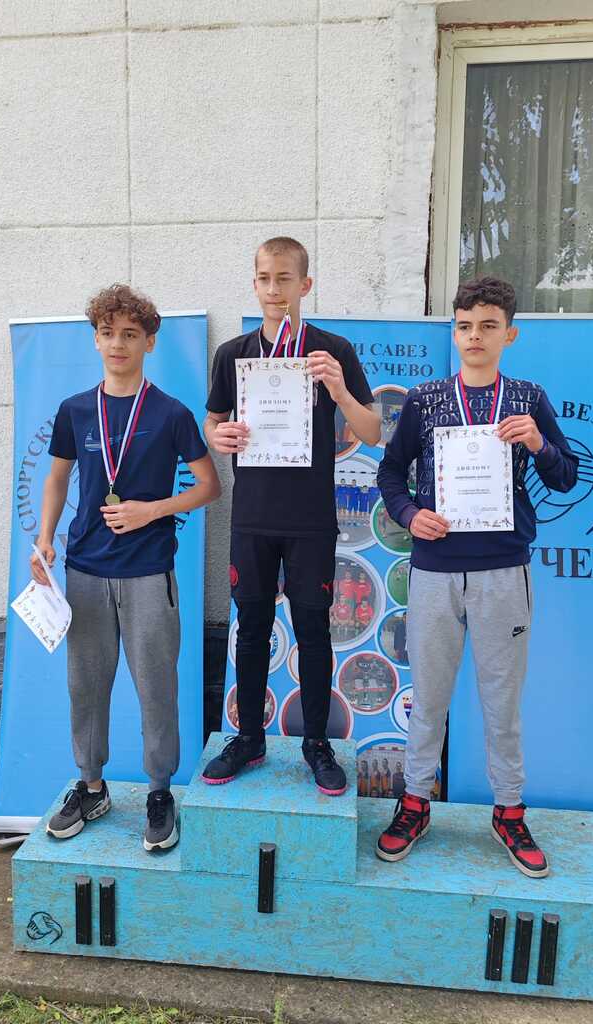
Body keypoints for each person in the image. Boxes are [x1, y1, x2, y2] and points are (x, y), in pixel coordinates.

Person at [375, 276, 578, 878]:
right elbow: (390, 473)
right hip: (435, 571)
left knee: (501, 701)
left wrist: (539, 442)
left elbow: (565, 476)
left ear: (509, 334)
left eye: (488, 326)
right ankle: (415, 802)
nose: (474, 336)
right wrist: (410, 515)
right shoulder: (425, 398)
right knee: (429, 697)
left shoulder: (528, 397)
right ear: (454, 332)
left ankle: (509, 810)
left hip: (503, 570)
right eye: (464, 326)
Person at [31, 284, 220, 851]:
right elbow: (57, 478)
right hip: (85, 571)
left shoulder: (170, 413)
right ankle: (91, 787)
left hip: (148, 573)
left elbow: (209, 486)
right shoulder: (75, 410)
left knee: (156, 689)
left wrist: (151, 510)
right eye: (108, 333)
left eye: (130, 334)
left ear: (149, 342)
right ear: (95, 339)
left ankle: (160, 792)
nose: (118, 344)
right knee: (86, 687)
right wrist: (44, 540)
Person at [201, 236, 380, 794]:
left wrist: (339, 390)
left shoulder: (333, 350)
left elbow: (373, 430)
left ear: (305, 285)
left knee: (313, 631)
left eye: (284, 278)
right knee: (251, 629)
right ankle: (249, 737)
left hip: (309, 519)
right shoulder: (233, 353)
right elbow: (213, 421)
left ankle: (317, 743)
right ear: (254, 284)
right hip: (252, 516)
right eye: (264, 278)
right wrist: (219, 436)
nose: (274, 289)